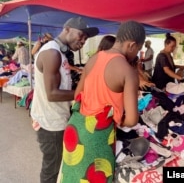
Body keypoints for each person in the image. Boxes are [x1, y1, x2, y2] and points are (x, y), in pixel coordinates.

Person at [60, 20, 145, 183]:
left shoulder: (93, 59)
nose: (136, 54)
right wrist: (119, 119)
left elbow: (78, 94)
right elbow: (132, 120)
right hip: (97, 136)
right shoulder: (128, 71)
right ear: (132, 45)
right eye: (138, 50)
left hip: (75, 129)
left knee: (72, 177)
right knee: (94, 177)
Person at [30, 17, 99, 183]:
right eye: (81, 35)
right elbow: (52, 94)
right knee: (51, 170)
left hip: (57, 119)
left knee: (57, 165)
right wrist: (84, 93)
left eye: (86, 39)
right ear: (67, 29)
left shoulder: (60, 53)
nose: (83, 41)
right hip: (51, 124)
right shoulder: (52, 53)